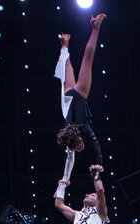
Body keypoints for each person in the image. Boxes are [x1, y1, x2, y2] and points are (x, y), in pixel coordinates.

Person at [54, 14, 107, 183]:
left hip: (79, 95)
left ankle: (95, 27)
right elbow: (69, 159)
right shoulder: (69, 129)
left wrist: (99, 164)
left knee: (87, 59)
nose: (80, 149)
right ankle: (65, 43)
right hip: (67, 98)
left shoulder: (84, 129)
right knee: (67, 64)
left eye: (79, 148)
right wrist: (65, 178)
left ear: (76, 143)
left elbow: (96, 146)